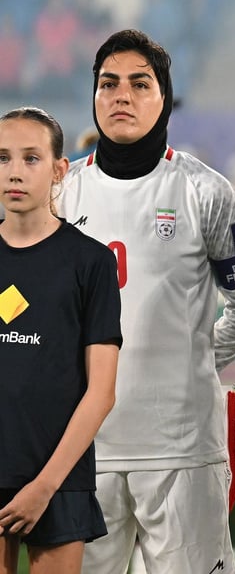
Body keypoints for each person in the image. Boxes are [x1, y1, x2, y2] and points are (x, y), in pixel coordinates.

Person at [58, 29, 235, 574]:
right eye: (109, 84)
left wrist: (194, 358)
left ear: (165, 98)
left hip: (182, 450)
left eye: (139, 84)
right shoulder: (59, 195)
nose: (121, 96)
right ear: (94, 97)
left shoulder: (207, 192)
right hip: (81, 451)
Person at [0, 107, 121, 574]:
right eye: (4, 158)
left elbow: (101, 391)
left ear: (58, 169)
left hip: (58, 480)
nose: (14, 171)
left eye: (31, 158)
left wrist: (45, 486)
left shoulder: (90, 263)